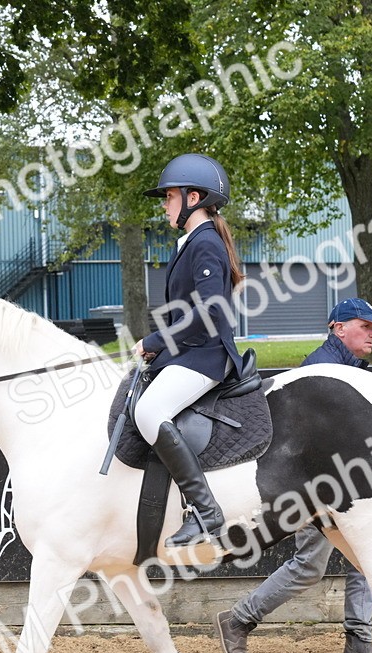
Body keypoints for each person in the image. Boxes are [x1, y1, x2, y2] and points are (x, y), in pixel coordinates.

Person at [215, 297, 372, 653]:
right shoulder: (322, 370)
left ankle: (359, 642)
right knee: (310, 566)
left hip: (339, 483)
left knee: (363, 558)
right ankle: (238, 620)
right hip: (319, 486)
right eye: (366, 326)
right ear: (338, 328)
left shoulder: (351, 370)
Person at [134, 153, 244, 548]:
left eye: (169, 197)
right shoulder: (194, 241)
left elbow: (211, 311)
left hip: (206, 356)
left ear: (192, 197)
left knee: (148, 411)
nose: (164, 205)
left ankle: (205, 510)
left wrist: (156, 341)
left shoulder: (205, 242)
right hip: (190, 352)